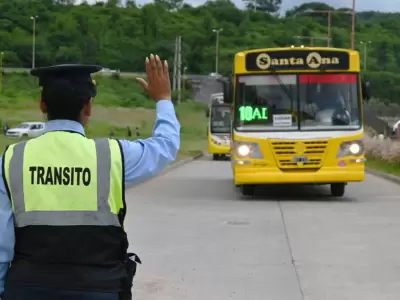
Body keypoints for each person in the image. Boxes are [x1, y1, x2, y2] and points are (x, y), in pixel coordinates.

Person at [0, 54, 180, 300]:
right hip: (100, 289)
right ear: (88, 106)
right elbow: (165, 146)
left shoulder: (11, 159)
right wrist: (164, 100)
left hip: (28, 289)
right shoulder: (113, 155)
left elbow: (2, 243)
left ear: (42, 104)